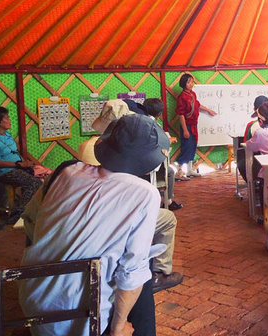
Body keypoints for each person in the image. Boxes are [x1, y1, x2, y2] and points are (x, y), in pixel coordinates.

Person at [19, 114, 170, 336]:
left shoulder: (65, 171)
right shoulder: (144, 193)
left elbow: (31, 222)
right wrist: (119, 328)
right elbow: (132, 271)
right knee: (140, 273)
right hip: (81, 316)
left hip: (32, 299)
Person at [73, 100, 183, 292]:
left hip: (74, 238)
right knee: (162, 219)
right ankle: (158, 273)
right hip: (111, 225)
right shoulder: (143, 191)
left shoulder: (68, 170)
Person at [0, 106, 43, 224]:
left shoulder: (7, 135)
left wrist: (27, 164)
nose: (10, 121)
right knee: (34, 183)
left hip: (17, 167)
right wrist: (18, 164)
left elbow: (14, 152)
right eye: (7, 118)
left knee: (43, 176)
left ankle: (35, 212)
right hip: (4, 171)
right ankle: (17, 215)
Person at [144, 98, 183, 210]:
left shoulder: (139, 121)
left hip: (133, 164)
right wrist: (169, 140)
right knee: (169, 171)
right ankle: (167, 201)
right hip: (147, 165)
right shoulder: (152, 124)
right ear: (159, 114)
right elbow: (157, 142)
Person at [175, 73, 217, 177]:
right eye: (188, 82)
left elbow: (197, 105)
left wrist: (208, 110)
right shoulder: (182, 97)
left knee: (192, 146)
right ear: (183, 83)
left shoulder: (192, 94)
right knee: (186, 147)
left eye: (192, 82)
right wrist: (185, 130)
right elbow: (181, 114)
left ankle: (190, 170)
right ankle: (179, 172)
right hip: (187, 125)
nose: (191, 84)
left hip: (194, 125)